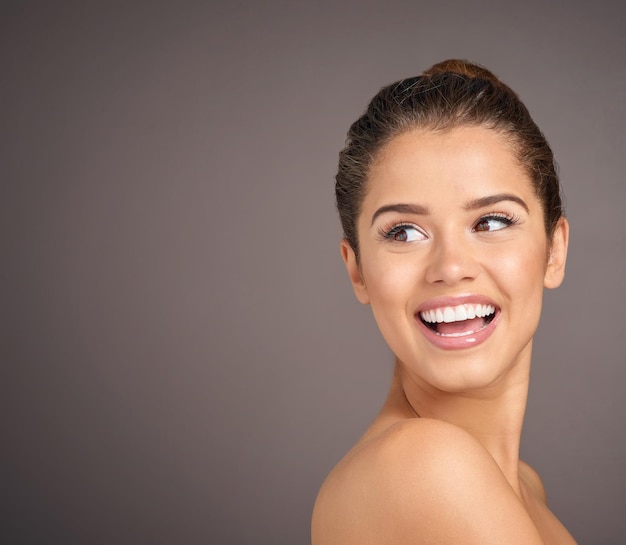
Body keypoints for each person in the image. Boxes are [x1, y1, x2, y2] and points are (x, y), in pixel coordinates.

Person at [311, 60, 577, 544]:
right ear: (357, 269)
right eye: (404, 232)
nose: (451, 267)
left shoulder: (523, 485)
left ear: (554, 251)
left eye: (491, 223)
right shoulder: (423, 466)